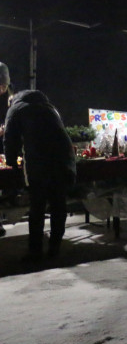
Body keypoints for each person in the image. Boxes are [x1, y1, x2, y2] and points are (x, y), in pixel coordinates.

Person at [3, 90, 76, 261]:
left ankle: (35, 252)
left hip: (40, 160)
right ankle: (55, 248)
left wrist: (12, 161)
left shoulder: (15, 108)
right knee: (59, 204)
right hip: (63, 158)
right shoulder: (49, 106)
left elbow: (10, 138)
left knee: (38, 207)